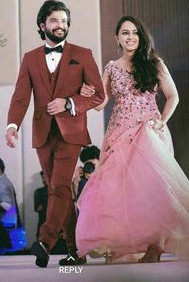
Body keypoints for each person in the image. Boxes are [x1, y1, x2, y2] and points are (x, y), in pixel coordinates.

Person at [76, 15, 189, 263]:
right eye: (125, 33)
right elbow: (101, 103)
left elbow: (173, 96)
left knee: (152, 190)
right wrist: (87, 93)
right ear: (117, 38)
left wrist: (161, 121)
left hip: (147, 131)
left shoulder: (153, 63)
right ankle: (121, 243)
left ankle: (155, 245)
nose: (130, 37)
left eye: (135, 33)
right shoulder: (111, 68)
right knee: (120, 190)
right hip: (118, 133)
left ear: (141, 36)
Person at [5, 0, 104, 267]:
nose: (60, 25)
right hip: (42, 134)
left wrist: (70, 102)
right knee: (58, 192)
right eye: (54, 21)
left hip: (71, 133)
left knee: (59, 186)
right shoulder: (29, 58)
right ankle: (75, 252)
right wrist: (12, 125)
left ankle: (44, 242)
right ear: (42, 25)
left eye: (64, 21)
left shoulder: (82, 54)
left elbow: (98, 94)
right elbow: (20, 97)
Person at [34, 171, 48, 239]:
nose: (44, 180)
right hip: (43, 225)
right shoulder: (39, 192)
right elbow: (38, 208)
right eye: (42, 177)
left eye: (46, 177)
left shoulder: (56, 191)